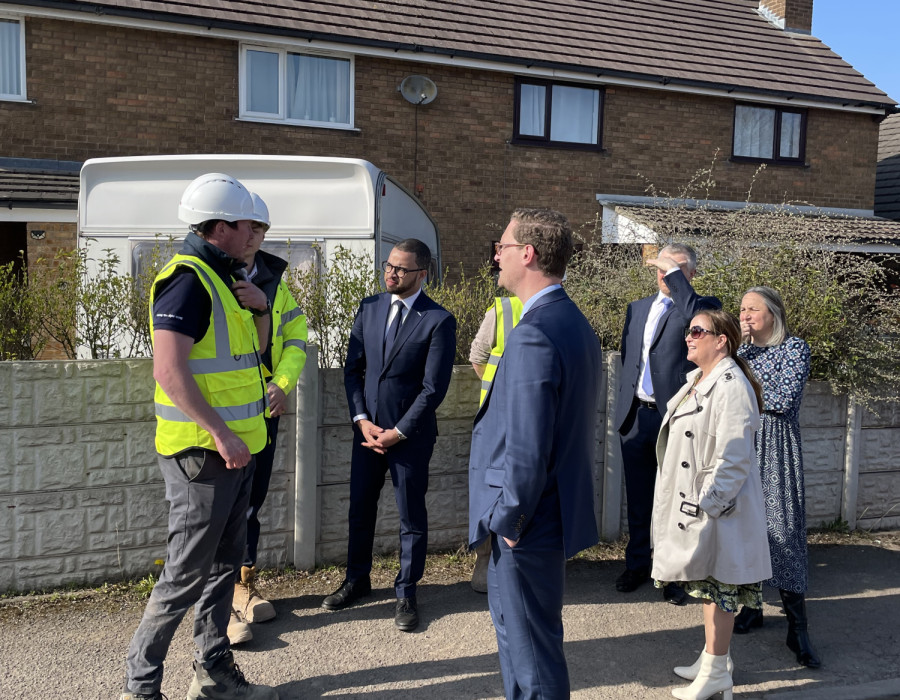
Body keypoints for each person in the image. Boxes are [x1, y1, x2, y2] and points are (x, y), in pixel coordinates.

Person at [121, 173, 278, 700]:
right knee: (184, 577)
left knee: (221, 569)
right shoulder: (187, 278)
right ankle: (139, 688)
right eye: (247, 224)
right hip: (203, 454)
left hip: (236, 452)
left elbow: (250, 358)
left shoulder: (223, 276)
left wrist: (260, 308)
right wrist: (220, 433)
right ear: (222, 226)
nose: (254, 233)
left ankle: (212, 673)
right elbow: (169, 371)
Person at [469, 208, 601, 699]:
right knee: (527, 644)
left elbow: (527, 446)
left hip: (527, 522)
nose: (496, 256)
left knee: (532, 656)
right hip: (548, 514)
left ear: (527, 254)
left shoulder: (534, 332)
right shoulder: (571, 321)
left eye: (501, 247)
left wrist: (510, 521)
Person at [321, 238, 456, 632]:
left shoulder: (438, 320)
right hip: (367, 433)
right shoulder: (369, 308)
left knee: (410, 516)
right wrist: (362, 419)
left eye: (400, 269)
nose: (390, 273)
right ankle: (356, 580)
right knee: (359, 509)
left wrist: (397, 432)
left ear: (422, 274)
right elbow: (354, 371)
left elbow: (434, 389)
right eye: (388, 265)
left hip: (409, 438)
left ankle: (406, 591)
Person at [652, 309, 771, 700]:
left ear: (722, 340)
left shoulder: (731, 384)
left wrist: (710, 505)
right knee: (708, 588)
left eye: (698, 331)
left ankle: (718, 672)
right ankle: (712, 660)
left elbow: (735, 457)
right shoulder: (700, 380)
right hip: (703, 510)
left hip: (720, 513)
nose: (689, 337)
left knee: (721, 592)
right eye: (689, 331)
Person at [614, 244, 720, 605]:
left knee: (678, 499)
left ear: (689, 274)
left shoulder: (701, 307)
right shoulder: (638, 308)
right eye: (659, 268)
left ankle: (674, 575)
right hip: (636, 416)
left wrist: (676, 280)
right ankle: (638, 563)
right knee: (640, 499)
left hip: (675, 418)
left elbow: (703, 327)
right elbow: (632, 360)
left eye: (672, 269)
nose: (662, 274)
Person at [228, 193, 308, 644]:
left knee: (252, 500)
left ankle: (242, 584)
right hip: (218, 414)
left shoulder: (277, 283)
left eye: (261, 227)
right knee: (216, 506)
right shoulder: (209, 274)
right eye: (247, 225)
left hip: (261, 410)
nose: (254, 234)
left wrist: (282, 383)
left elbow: (296, 338)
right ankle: (218, 599)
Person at [735, 286, 821, 668]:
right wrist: (738, 351)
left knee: (782, 532)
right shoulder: (740, 351)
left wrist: (742, 386)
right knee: (745, 529)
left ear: (773, 313)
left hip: (776, 449)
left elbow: (782, 399)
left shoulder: (794, 349)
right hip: (743, 444)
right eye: (742, 310)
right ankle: (752, 607)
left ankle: (797, 628)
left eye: (753, 309)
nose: (746, 315)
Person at [467, 295, 523, 593]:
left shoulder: (555, 306)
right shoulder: (502, 309)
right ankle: (485, 560)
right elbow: (478, 357)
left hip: (536, 416)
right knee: (491, 489)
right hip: (497, 419)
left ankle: (521, 563)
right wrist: (499, 394)